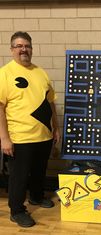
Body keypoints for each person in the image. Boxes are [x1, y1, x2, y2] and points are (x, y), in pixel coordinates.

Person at [0, 31, 60, 227]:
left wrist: (56, 128)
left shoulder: (41, 72)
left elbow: (50, 103)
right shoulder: (4, 74)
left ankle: (36, 196)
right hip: (20, 137)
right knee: (18, 176)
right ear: (12, 50)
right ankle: (16, 211)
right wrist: (4, 138)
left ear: (32, 49)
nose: (23, 49)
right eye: (19, 46)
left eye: (27, 45)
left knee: (38, 171)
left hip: (43, 135)